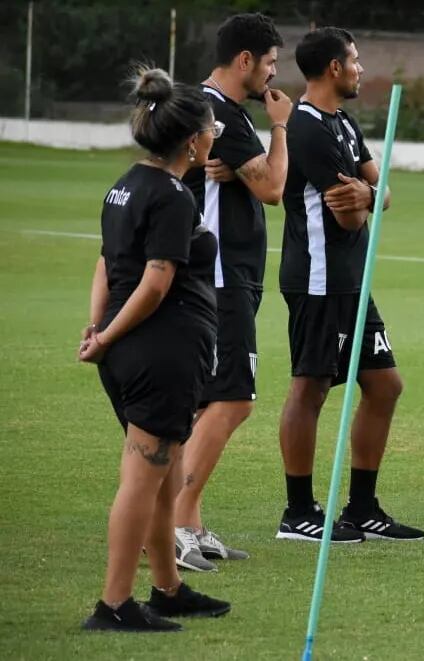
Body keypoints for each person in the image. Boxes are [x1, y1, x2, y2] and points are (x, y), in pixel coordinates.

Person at [79, 68, 230, 632]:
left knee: (167, 476)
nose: (215, 134)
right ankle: (114, 604)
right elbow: (155, 281)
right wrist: (108, 335)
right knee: (142, 481)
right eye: (211, 127)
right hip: (158, 353)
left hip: (130, 351)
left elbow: (104, 264)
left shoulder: (123, 184)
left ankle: (166, 589)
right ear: (192, 140)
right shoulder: (171, 195)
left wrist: (98, 331)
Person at [276, 27, 424, 543]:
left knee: (385, 386)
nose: (362, 69)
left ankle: (361, 508)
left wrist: (372, 192)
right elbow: (350, 218)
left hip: (352, 282)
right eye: (356, 61)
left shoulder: (342, 122)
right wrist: (369, 194)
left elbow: (377, 188)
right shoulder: (308, 129)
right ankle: (298, 512)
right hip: (319, 279)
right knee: (311, 388)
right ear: (334, 68)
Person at [174, 13, 292, 572]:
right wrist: (282, 127)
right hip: (220, 276)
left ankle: (188, 522)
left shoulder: (191, 104)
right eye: (269, 63)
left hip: (209, 274)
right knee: (234, 399)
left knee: (203, 403)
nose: (272, 76)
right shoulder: (224, 112)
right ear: (244, 60)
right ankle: (175, 521)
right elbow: (272, 187)